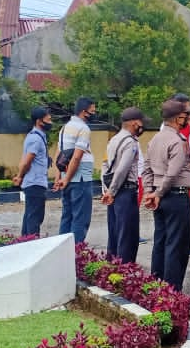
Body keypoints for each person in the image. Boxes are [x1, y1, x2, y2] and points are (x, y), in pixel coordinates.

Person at [142, 99, 190, 302]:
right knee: (177, 246)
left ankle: (158, 289)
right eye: (185, 116)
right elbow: (173, 173)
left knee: (161, 243)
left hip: (160, 197)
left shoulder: (155, 139)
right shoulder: (177, 141)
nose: (187, 120)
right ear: (178, 118)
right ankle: (172, 295)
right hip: (175, 196)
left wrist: (151, 191)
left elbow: (146, 168)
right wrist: (157, 193)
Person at [101, 107, 145, 265]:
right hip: (125, 191)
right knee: (127, 235)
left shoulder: (113, 140)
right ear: (134, 123)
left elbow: (105, 165)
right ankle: (124, 271)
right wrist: (112, 192)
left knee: (114, 231)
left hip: (112, 191)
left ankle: (111, 268)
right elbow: (122, 169)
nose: (142, 126)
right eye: (141, 122)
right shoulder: (130, 143)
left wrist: (106, 190)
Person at [54, 96, 96, 244]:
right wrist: (66, 178)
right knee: (81, 218)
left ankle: (61, 251)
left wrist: (59, 177)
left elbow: (59, 155)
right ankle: (75, 253)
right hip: (80, 179)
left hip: (66, 176)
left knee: (67, 216)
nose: (94, 113)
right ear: (84, 112)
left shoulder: (64, 128)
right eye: (92, 111)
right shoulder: (83, 129)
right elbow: (77, 157)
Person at [12, 106, 54, 237]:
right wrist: (19, 176)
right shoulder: (35, 138)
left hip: (36, 183)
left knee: (31, 216)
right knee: (34, 218)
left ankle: (24, 243)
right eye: (48, 119)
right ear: (39, 121)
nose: (50, 122)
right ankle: (31, 244)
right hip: (35, 183)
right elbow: (26, 161)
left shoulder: (37, 137)